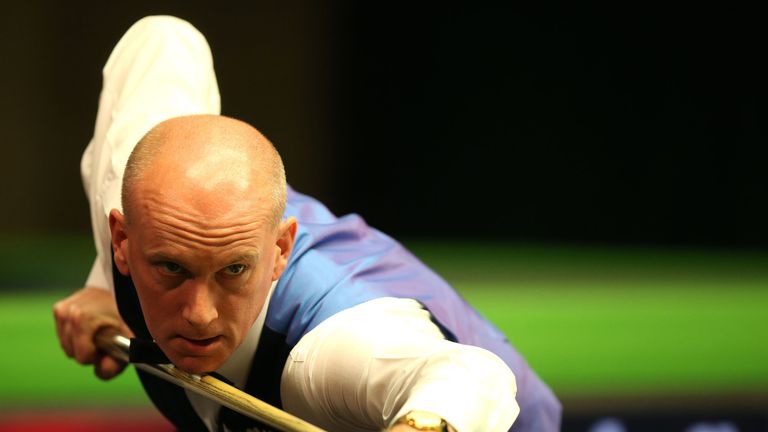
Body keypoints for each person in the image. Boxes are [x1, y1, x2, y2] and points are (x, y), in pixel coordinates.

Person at [53, 16, 561, 432]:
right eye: (171, 268)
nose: (199, 316)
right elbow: (163, 39)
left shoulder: (328, 352)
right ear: (122, 239)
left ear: (279, 250)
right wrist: (104, 286)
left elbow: (471, 377)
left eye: (233, 270)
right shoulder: (141, 193)